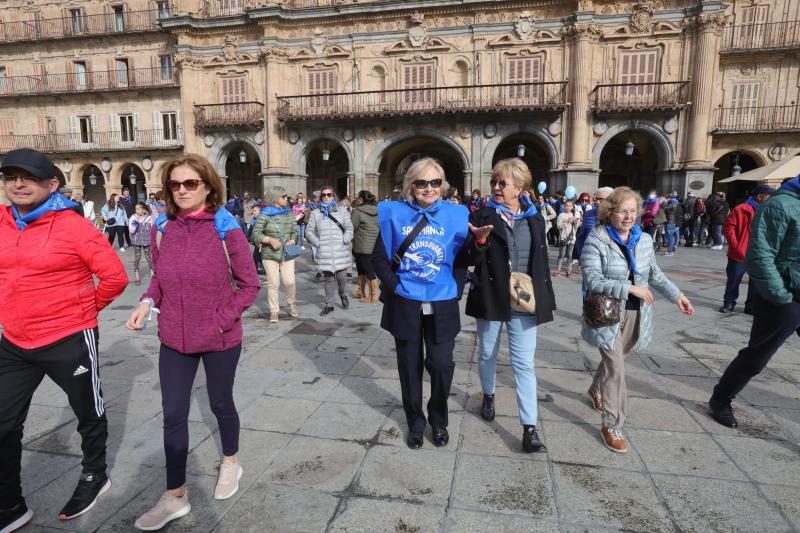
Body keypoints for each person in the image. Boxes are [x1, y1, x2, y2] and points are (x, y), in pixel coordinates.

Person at [125, 154, 260, 531]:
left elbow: (250, 285)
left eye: (190, 183)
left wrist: (219, 320)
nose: (182, 190)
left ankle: (231, 461)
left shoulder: (225, 226)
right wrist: (147, 302)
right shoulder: (162, 227)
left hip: (219, 338)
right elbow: (158, 278)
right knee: (173, 414)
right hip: (173, 337)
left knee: (220, 403)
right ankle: (175, 495)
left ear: (207, 186)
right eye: (175, 184)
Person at [0, 148, 127, 530]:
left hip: (68, 337)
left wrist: (81, 312)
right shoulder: (2, 223)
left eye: (28, 178)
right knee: (3, 423)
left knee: (88, 411)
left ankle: (95, 474)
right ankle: (9, 504)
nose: (18, 184)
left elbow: (115, 278)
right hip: (15, 342)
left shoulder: (75, 227)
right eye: (10, 177)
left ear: (51, 184)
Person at [372, 157, 483, 449]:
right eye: (422, 182)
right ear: (411, 185)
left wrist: (478, 247)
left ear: (443, 185)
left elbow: (464, 260)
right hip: (405, 303)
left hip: (443, 303)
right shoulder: (393, 214)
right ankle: (416, 423)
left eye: (436, 182)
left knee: (441, 364)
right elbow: (379, 260)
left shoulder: (458, 214)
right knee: (409, 368)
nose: (429, 188)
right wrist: (397, 287)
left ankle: (438, 420)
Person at [581, 186, 694, 453]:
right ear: (611, 212)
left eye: (633, 211)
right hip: (606, 313)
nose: (628, 217)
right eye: (623, 211)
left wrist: (677, 295)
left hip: (636, 313)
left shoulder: (642, 239)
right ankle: (612, 423)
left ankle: (594, 389)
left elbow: (654, 274)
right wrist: (629, 288)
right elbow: (592, 279)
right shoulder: (596, 239)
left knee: (616, 361)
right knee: (617, 370)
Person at [466, 158, 557, 452]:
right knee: (487, 354)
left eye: (502, 183)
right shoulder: (482, 215)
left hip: (524, 299)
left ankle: (529, 428)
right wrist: (477, 244)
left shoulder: (535, 218)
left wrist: (544, 295)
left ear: (519, 187)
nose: (496, 187)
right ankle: (489, 394)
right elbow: (468, 257)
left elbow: (540, 260)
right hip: (491, 295)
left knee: (524, 365)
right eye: (494, 182)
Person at [709, 176, 800, 428]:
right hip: (783, 296)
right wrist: (780, 296)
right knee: (758, 356)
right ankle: (721, 398)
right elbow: (760, 254)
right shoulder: (779, 205)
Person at [719, 184, 775, 314]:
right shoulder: (741, 209)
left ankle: (750, 306)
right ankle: (729, 303)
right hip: (740, 252)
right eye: (770, 195)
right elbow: (729, 227)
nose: (772, 198)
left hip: (759, 253)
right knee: (734, 279)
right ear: (760, 197)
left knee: (756, 282)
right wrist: (735, 245)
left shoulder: (769, 210)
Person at [251, 186, 299, 323]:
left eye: (286, 197)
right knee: (274, 283)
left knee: (289, 281)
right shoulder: (265, 213)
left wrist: (293, 240)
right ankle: (274, 311)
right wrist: (269, 240)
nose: (286, 199)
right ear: (275, 198)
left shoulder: (289, 213)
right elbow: (256, 234)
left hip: (287, 253)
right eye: (284, 197)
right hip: (270, 254)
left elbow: (295, 231)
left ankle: (291, 303)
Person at [306, 186, 353, 315]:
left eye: (329, 195)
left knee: (342, 278)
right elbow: (309, 231)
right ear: (321, 197)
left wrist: (345, 239)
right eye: (324, 195)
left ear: (334, 196)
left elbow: (349, 227)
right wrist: (317, 242)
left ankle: (342, 293)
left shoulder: (342, 211)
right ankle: (329, 304)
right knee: (329, 280)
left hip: (340, 250)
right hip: (325, 251)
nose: (326, 197)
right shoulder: (316, 213)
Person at [350, 190, 380, 303]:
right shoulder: (378, 210)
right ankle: (360, 292)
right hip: (374, 244)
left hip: (361, 244)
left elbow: (352, 226)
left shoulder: (357, 211)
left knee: (368, 270)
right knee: (362, 268)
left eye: (358, 198)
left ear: (361, 199)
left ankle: (373, 296)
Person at [576, 187, 613, 259]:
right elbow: (581, 237)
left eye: (600, 199)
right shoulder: (588, 214)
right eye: (596, 199)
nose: (597, 202)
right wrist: (582, 256)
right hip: (589, 258)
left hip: (610, 262)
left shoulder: (617, 216)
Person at [128, 202, 155, 286]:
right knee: (137, 258)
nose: (137, 211)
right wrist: (136, 221)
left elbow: (153, 229)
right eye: (136, 209)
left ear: (143, 209)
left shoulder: (149, 217)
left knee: (148, 257)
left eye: (139, 209)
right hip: (136, 240)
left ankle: (153, 274)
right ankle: (137, 276)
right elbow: (131, 230)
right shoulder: (133, 217)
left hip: (147, 240)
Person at [553, 200, 580, 277]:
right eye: (566, 206)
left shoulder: (573, 215)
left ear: (572, 207)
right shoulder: (561, 215)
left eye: (570, 206)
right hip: (563, 237)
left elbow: (575, 228)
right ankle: (558, 270)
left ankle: (568, 270)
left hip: (572, 238)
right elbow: (558, 226)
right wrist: (567, 222)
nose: (568, 207)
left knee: (569, 255)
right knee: (561, 255)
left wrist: (577, 222)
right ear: (564, 206)